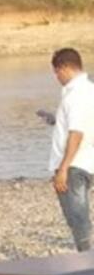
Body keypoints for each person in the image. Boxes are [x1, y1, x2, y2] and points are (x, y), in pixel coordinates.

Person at [47, 48, 93, 252]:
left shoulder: (74, 95)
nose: (56, 77)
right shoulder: (90, 89)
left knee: (77, 216)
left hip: (74, 163)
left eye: (56, 71)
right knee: (80, 213)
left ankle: (87, 262)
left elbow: (77, 132)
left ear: (65, 68)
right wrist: (56, 122)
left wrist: (63, 168)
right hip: (88, 159)